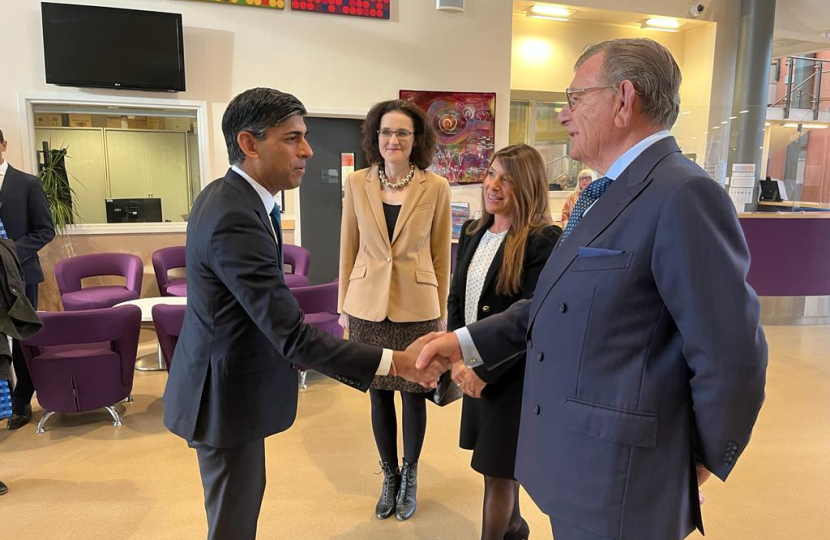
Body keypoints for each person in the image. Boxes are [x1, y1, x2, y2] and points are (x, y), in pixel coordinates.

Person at [417, 38, 768, 540]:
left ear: (624, 100)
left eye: (575, 97)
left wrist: (692, 463)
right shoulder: (604, 193)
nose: (563, 115)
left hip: (627, 480)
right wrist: (465, 341)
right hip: (580, 466)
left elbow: (732, 357)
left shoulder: (683, 193)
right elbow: (558, 301)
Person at [162, 88, 447, 540]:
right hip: (223, 397)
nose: (308, 151)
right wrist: (397, 361)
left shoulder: (235, 198)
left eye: (305, 136)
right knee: (233, 520)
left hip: (231, 388)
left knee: (240, 506)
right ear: (249, 144)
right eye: (292, 138)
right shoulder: (234, 214)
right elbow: (292, 336)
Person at [338, 99, 451, 521]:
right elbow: (348, 244)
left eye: (403, 132)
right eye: (386, 132)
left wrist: (442, 311)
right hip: (366, 304)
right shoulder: (357, 184)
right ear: (375, 138)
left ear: (415, 139)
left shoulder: (435, 187)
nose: (394, 140)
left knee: (415, 394)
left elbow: (441, 253)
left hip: (417, 307)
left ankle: (411, 475)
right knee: (379, 394)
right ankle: (389, 476)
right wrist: (343, 305)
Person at [448, 144, 559, 540]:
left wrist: (482, 369)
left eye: (506, 179)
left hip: (513, 378)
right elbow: (457, 299)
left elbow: (533, 322)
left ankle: (506, 531)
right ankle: (515, 528)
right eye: (492, 173)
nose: (493, 185)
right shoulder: (474, 230)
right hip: (473, 368)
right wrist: (458, 359)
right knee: (494, 471)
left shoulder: (542, 239)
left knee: (498, 473)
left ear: (526, 186)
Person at [0, 128, 56, 431]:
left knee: (22, 339)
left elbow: (45, 230)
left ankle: (22, 400)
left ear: (3, 144)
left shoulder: (27, 184)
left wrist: (7, 253)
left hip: (19, 275)